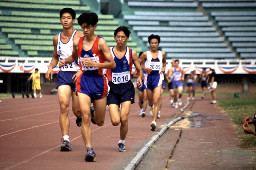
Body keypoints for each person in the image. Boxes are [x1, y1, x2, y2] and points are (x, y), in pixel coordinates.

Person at [61, 12, 116, 162]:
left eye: (88, 27)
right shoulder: (77, 42)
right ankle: (89, 149)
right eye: (83, 27)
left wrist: (96, 64)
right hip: (84, 81)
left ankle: (93, 111)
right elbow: (74, 57)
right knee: (84, 117)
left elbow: (112, 64)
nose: (85, 30)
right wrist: (64, 61)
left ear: (95, 26)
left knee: (99, 122)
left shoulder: (101, 43)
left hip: (99, 82)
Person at [45, 8, 83, 152]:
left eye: (68, 18)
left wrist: (81, 70)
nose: (65, 20)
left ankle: (80, 115)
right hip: (64, 75)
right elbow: (55, 56)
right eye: (63, 18)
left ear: (73, 20)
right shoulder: (56, 38)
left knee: (77, 110)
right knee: (63, 106)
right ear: (60, 20)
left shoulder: (79, 36)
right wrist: (50, 68)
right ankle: (66, 140)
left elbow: (86, 55)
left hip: (78, 75)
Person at [106, 26, 142, 152]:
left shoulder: (132, 53)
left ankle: (121, 142)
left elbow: (139, 69)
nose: (120, 39)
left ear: (127, 38)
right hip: (112, 88)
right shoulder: (108, 52)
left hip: (126, 87)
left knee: (124, 118)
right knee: (115, 121)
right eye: (118, 37)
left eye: (123, 37)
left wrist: (139, 77)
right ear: (115, 38)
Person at [140, 34, 166, 131]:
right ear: (149, 43)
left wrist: (163, 68)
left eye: (155, 43)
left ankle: (154, 121)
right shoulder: (145, 54)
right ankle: (151, 107)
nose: (153, 44)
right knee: (150, 101)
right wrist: (145, 69)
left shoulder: (162, 54)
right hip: (148, 78)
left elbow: (164, 62)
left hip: (158, 77)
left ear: (158, 44)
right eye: (152, 43)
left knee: (156, 100)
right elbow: (139, 64)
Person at [134, 52, 147, 117]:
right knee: (140, 98)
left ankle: (143, 111)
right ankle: (141, 108)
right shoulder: (138, 65)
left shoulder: (148, 64)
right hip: (139, 83)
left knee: (145, 97)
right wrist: (139, 76)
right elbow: (134, 74)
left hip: (146, 83)